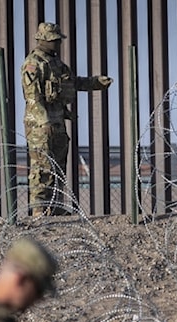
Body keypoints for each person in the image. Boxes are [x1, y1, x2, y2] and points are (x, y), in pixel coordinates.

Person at [21, 22, 113, 216]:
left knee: (58, 166)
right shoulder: (33, 63)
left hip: (58, 122)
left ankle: (53, 207)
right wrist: (44, 121)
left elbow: (74, 81)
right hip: (40, 125)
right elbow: (32, 96)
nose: (57, 44)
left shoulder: (57, 64)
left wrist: (97, 82)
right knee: (42, 166)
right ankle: (39, 209)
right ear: (44, 40)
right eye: (54, 40)